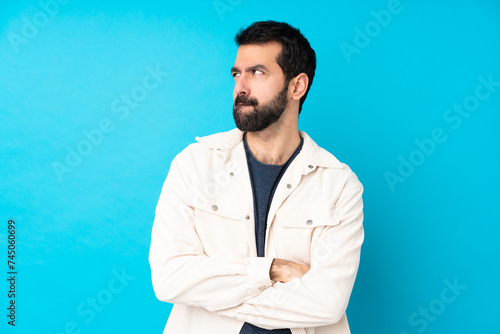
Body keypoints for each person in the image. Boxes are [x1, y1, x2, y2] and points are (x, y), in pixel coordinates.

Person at [149, 20, 364, 334]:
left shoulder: (338, 184)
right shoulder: (194, 165)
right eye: (237, 73)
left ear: (297, 86)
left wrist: (212, 294)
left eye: (257, 72)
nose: (241, 87)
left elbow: (327, 303)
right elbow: (169, 279)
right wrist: (273, 270)